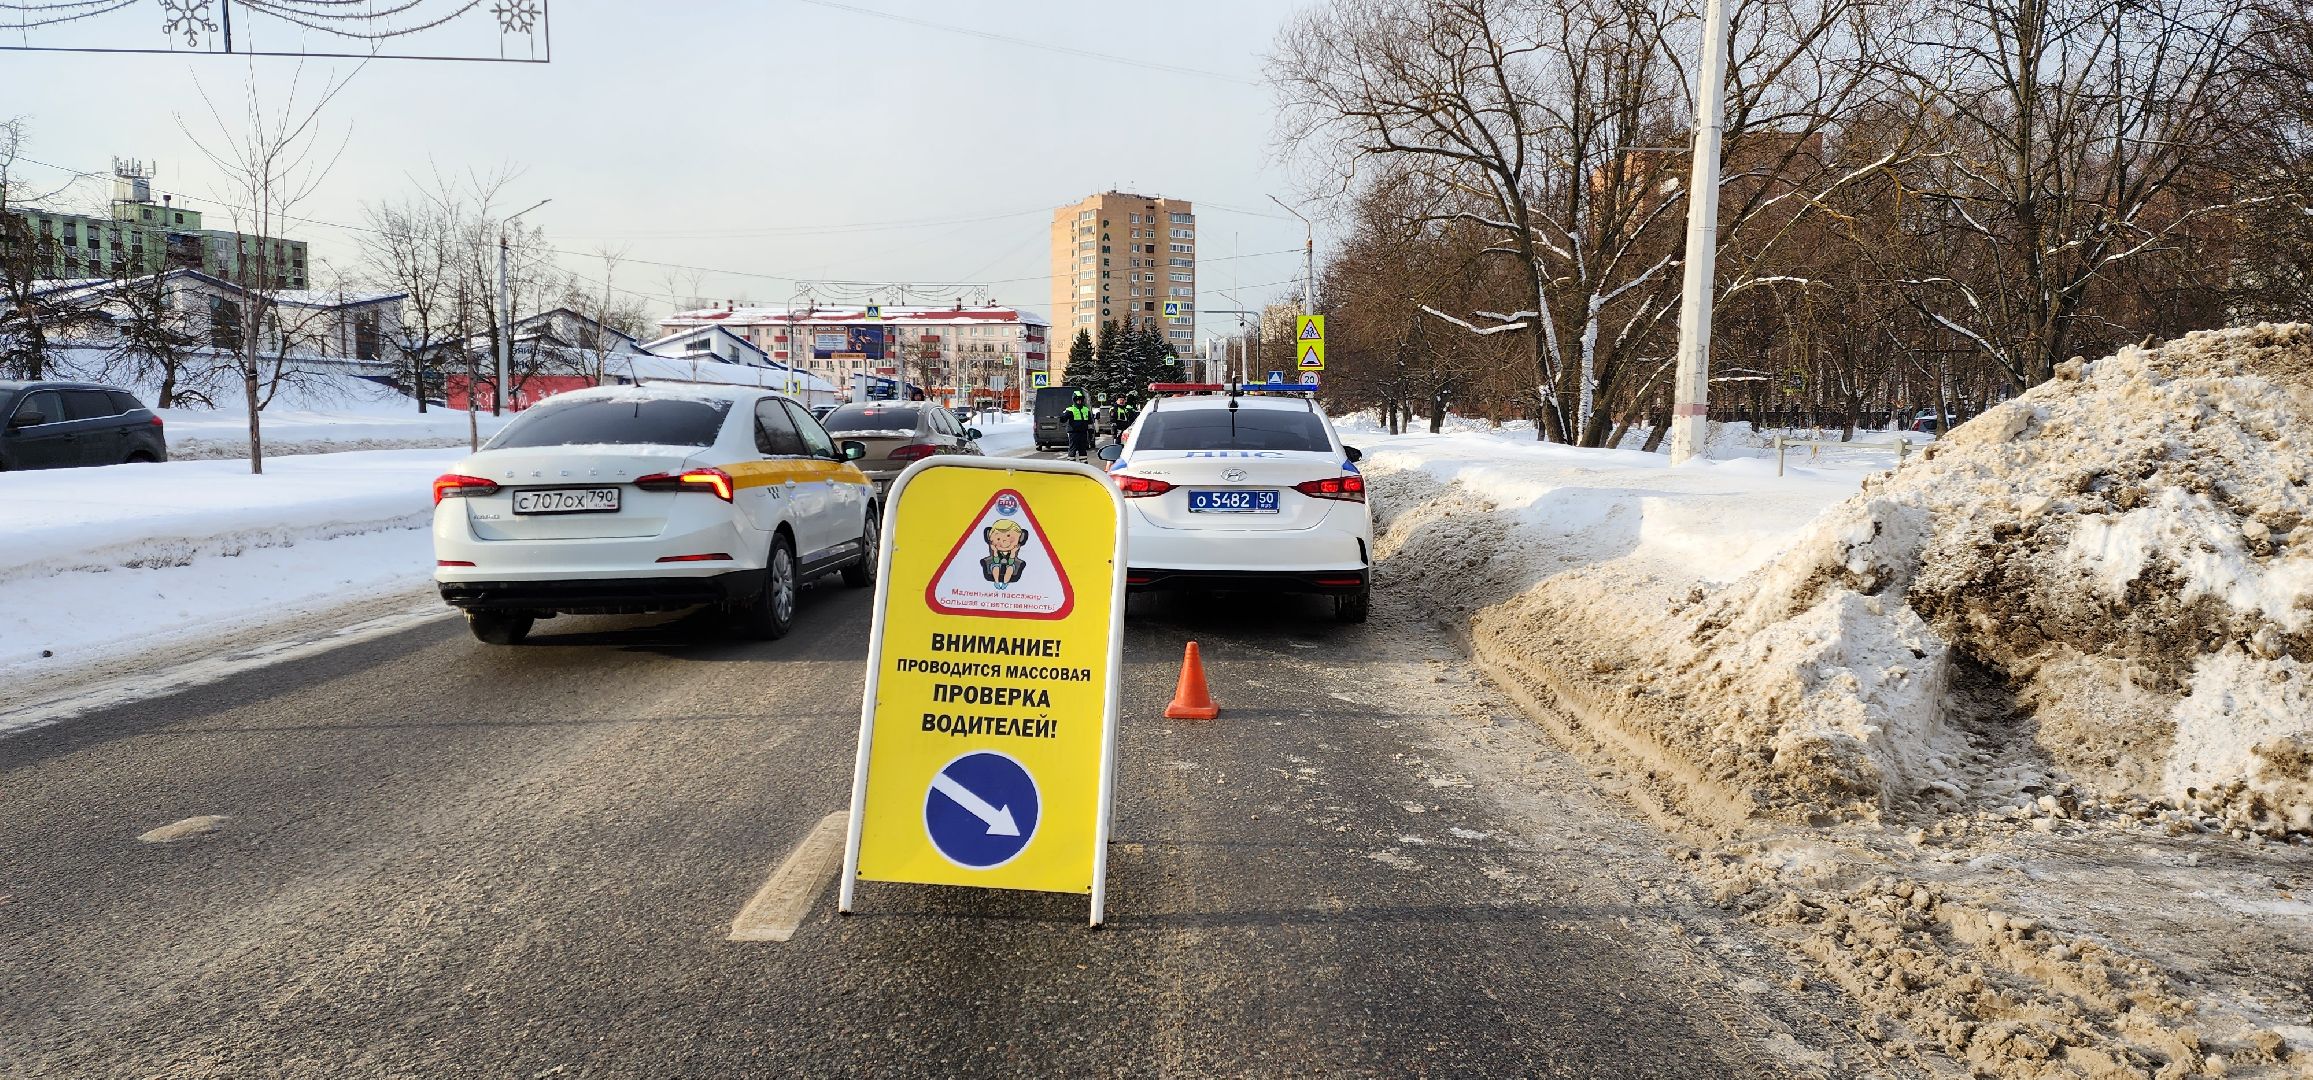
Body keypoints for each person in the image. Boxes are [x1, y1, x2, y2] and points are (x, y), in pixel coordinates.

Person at [1064, 392, 1093, 460]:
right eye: (1077, 400)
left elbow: (1090, 422)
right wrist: (1064, 417)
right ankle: (1071, 464)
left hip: (1083, 432)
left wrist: (1091, 431)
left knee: (1083, 448)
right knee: (1073, 448)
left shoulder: (1086, 409)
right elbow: (1063, 419)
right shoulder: (1070, 409)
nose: (1079, 401)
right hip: (1073, 432)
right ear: (1074, 400)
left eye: (1080, 400)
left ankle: (1084, 464)